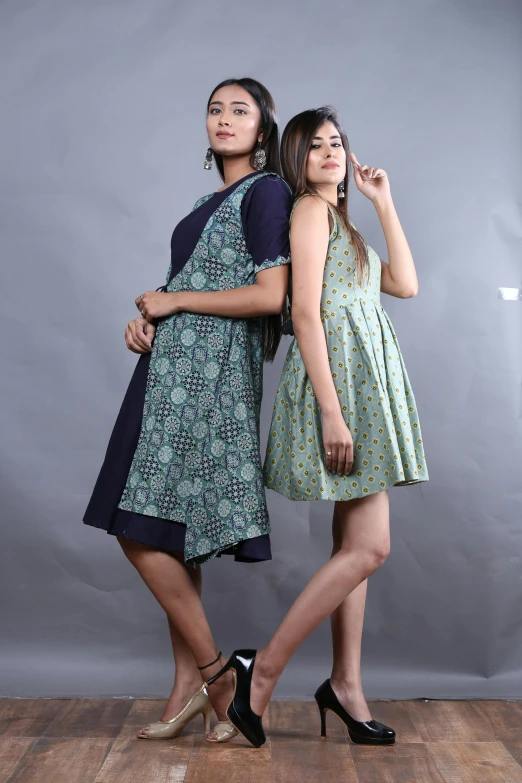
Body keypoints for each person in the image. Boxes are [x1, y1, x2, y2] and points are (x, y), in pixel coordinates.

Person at [205, 106, 429, 748]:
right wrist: (332, 412)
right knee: (370, 549)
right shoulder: (307, 210)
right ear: (296, 159)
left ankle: (345, 685)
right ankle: (263, 669)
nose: (331, 152)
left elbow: (406, 285)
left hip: (364, 387)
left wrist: (382, 202)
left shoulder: (343, 222)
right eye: (316, 146)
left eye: (339, 142)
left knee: (353, 553)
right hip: (341, 391)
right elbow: (303, 314)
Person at [82, 78, 292, 743]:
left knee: (136, 521)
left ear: (263, 130)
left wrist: (174, 304)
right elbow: (191, 285)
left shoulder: (266, 191)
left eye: (239, 109)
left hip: (206, 381)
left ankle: (215, 672)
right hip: (171, 365)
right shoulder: (210, 199)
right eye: (214, 108)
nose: (223, 118)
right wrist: (145, 320)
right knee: (165, 527)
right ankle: (189, 688)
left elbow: (269, 295)